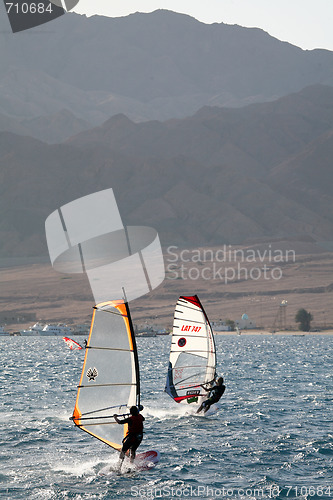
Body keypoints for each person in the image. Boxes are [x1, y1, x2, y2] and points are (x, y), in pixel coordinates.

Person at [113, 406, 145, 471]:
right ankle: (131, 464)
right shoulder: (140, 416)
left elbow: (119, 422)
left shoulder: (130, 419)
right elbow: (143, 419)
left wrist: (115, 417)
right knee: (133, 450)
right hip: (139, 437)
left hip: (132, 437)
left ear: (130, 412)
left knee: (123, 450)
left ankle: (119, 466)